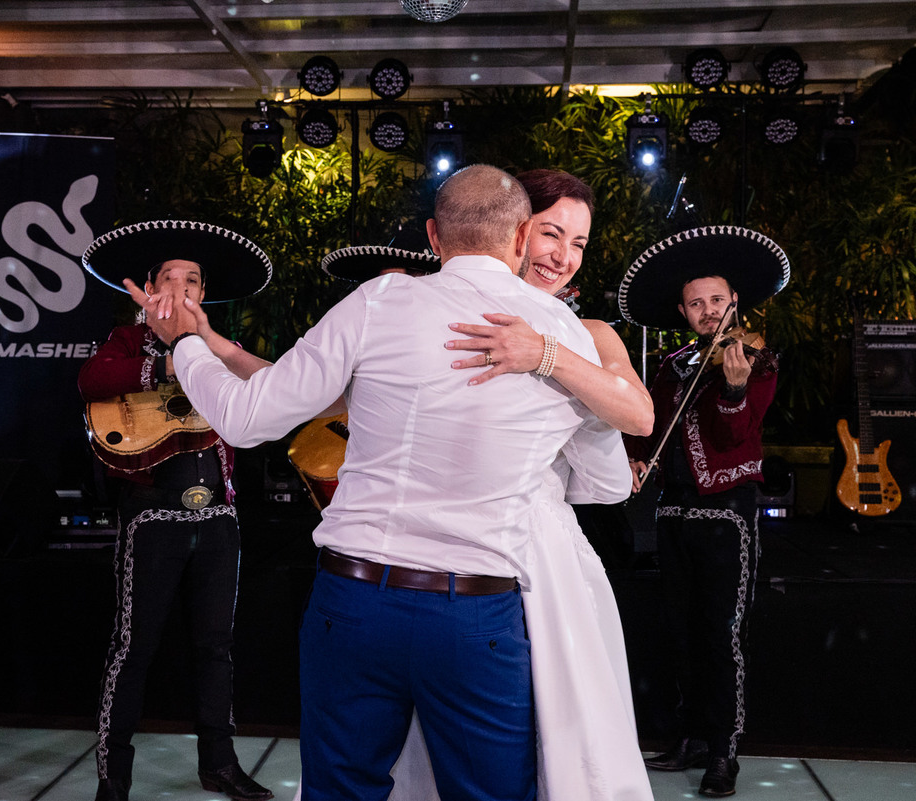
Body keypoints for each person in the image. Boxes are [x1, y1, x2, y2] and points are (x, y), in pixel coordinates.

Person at [124, 165, 633, 801]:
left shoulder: (380, 302)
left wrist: (185, 345)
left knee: (340, 791)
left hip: (354, 602)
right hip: (478, 612)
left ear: (432, 235)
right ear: (523, 234)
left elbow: (249, 417)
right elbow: (614, 468)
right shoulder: (561, 336)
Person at [388, 169, 656, 801]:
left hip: (543, 551)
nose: (563, 256)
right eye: (551, 233)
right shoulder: (425, 310)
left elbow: (639, 414)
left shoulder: (590, 333)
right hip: (433, 544)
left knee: (559, 738)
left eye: (580, 243)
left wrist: (544, 353)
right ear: (512, 232)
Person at [77, 220, 276, 801]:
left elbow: (271, 384)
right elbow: (92, 380)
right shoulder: (126, 343)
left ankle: (218, 763)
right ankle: (113, 776)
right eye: (171, 278)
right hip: (152, 517)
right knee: (132, 648)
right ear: (149, 287)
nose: (182, 288)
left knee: (216, 647)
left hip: (218, 518)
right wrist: (168, 360)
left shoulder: (217, 348)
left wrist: (207, 344)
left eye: (193, 280)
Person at [619, 225, 790, 797]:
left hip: (728, 518)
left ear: (734, 301)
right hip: (674, 514)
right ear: (682, 310)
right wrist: (639, 459)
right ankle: (689, 738)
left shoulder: (754, 361)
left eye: (717, 300)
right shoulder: (671, 365)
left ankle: (724, 751)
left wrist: (735, 391)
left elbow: (734, 432)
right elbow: (651, 428)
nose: (708, 310)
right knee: (680, 632)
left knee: (722, 636)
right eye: (696, 302)